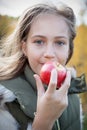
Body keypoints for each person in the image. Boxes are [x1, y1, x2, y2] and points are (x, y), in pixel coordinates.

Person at [0, 1, 87, 130]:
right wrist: (43, 121)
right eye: (39, 41)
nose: (49, 54)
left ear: (69, 49)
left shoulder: (72, 94)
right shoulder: (4, 100)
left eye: (59, 42)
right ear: (25, 47)